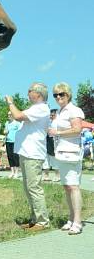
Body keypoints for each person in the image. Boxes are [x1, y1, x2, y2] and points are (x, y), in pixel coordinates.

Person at [6, 82, 50, 231]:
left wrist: (10, 102)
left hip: (33, 153)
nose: (28, 93)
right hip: (27, 152)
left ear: (38, 94)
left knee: (33, 187)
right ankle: (34, 218)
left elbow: (17, 116)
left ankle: (42, 221)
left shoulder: (41, 108)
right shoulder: (35, 108)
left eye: (29, 90)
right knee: (28, 187)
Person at [48, 83, 85, 235]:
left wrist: (57, 133)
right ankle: (71, 218)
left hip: (72, 152)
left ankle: (77, 221)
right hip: (62, 152)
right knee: (67, 186)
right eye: (55, 95)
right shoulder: (61, 111)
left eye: (61, 94)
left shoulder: (74, 110)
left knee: (74, 186)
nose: (58, 97)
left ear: (68, 94)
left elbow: (77, 129)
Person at [4, 110, 21, 178]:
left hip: (15, 141)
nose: (9, 116)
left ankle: (16, 172)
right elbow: (5, 131)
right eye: (8, 115)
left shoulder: (17, 123)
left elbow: (20, 132)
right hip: (8, 141)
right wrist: (5, 131)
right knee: (10, 156)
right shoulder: (7, 123)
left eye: (10, 114)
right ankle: (12, 171)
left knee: (15, 156)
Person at [42, 109, 58, 181]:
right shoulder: (49, 121)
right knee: (46, 158)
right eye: (50, 115)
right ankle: (46, 175)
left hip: (54, 140)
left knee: (54, 158)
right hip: (47, 140)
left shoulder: (58, 122)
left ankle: (57, 175)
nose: (51, 116)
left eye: (53, 115)